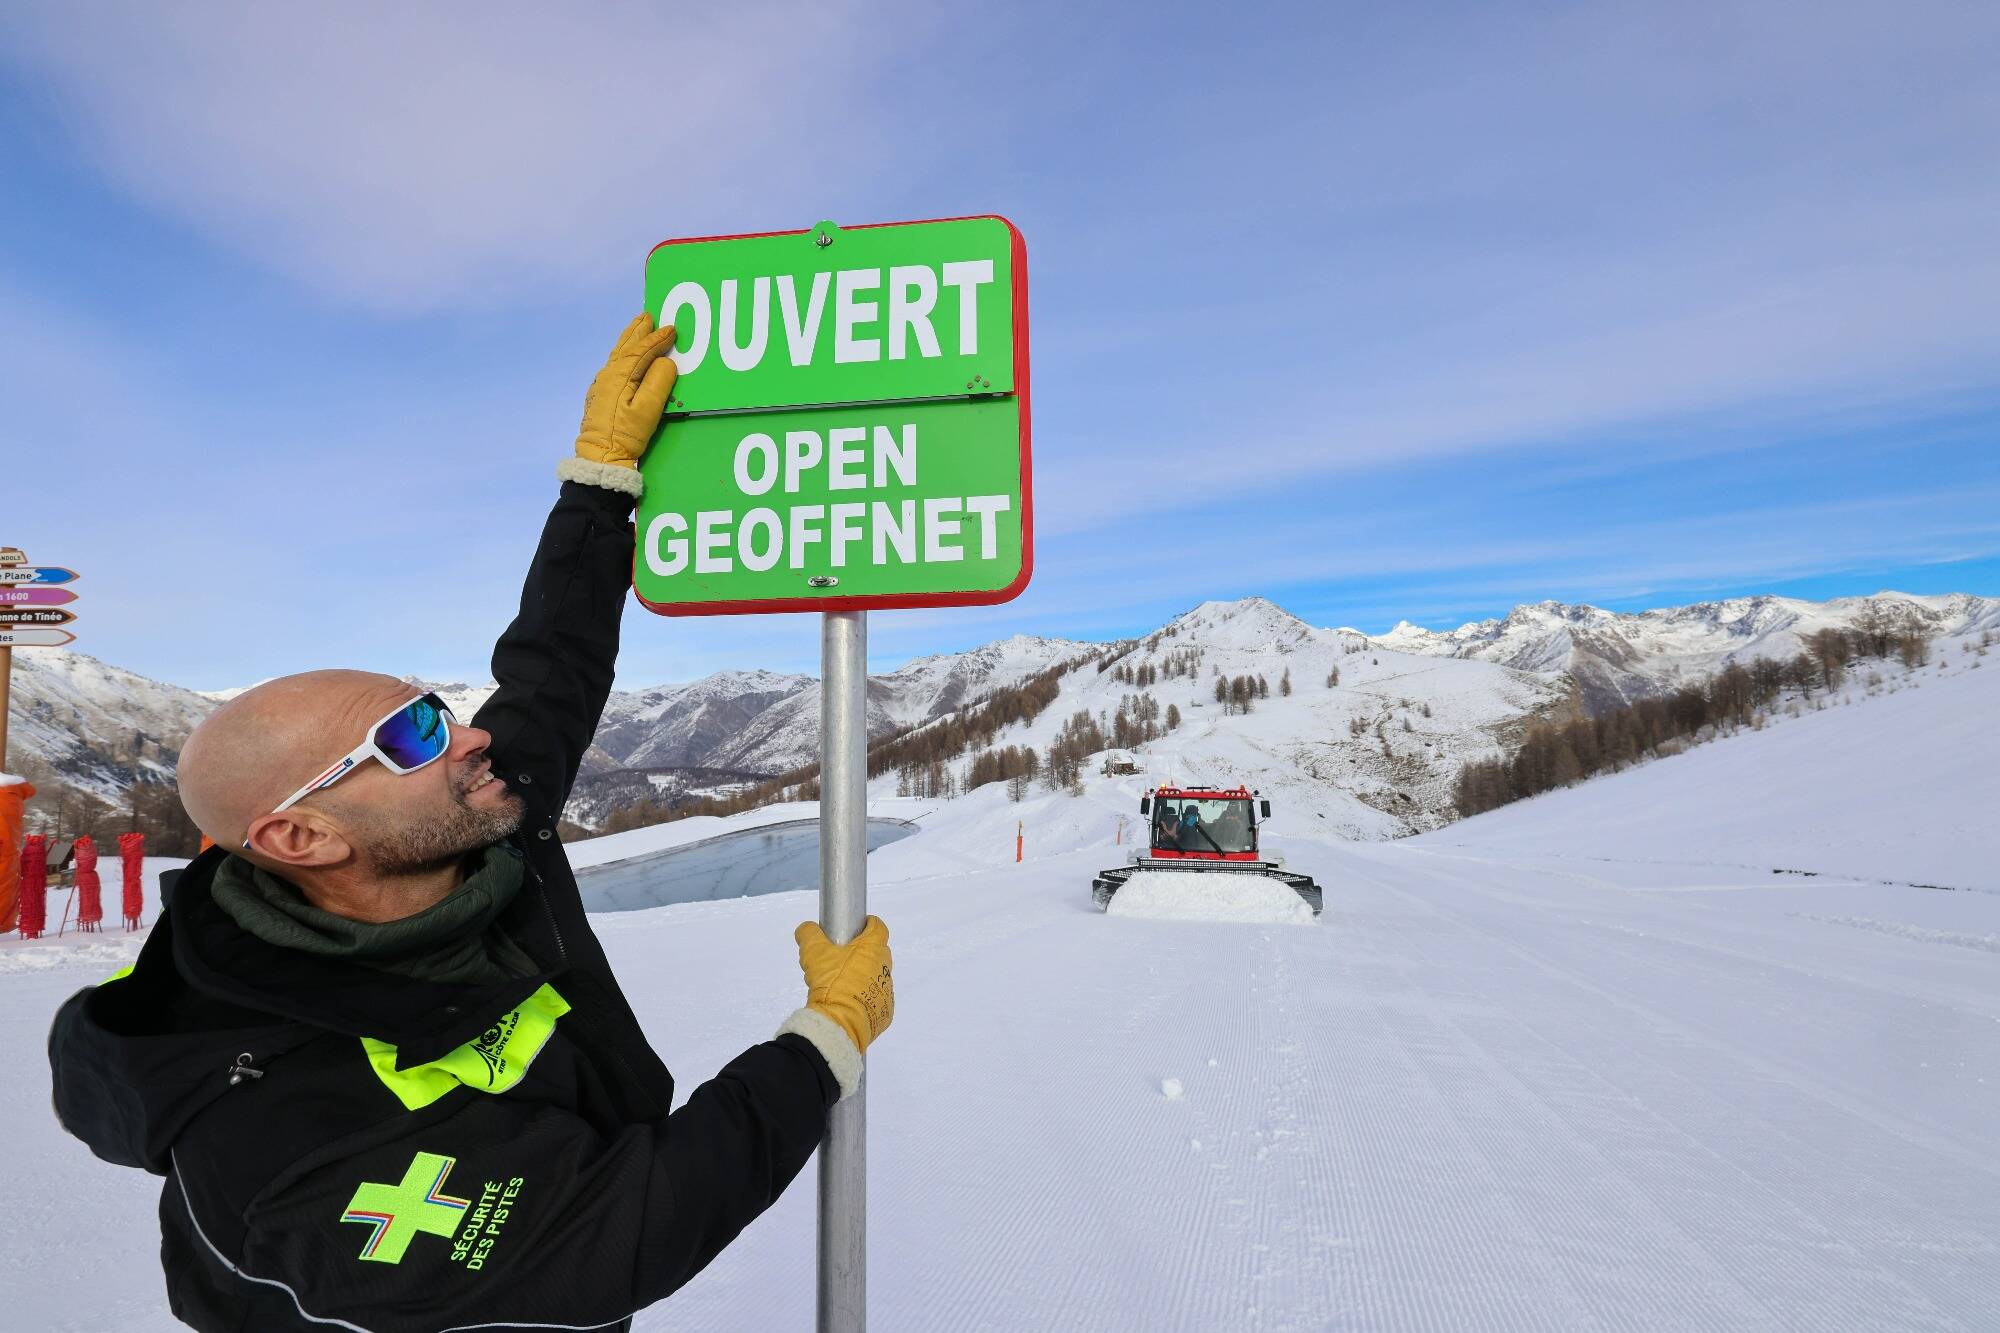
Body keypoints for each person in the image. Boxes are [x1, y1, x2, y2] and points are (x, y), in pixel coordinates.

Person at [47, 315, 894, 1332]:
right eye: (409, 736)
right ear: (301, 837)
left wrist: (599, 486)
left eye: (433, 707)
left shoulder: (457, 830)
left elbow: (548, 672)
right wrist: (822, 1041)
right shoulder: (283, 1136)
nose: (468, 737)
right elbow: (629, 1223)